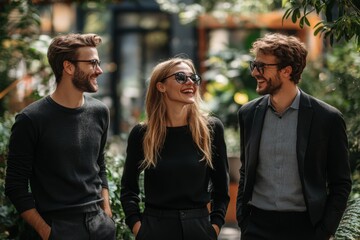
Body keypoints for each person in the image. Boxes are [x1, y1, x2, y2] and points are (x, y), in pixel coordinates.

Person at [236, 33, 352, 240]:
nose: (254, 72)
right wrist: (244, 221)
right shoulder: (248, 114)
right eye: (254, 65)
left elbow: (340, 183)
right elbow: (246, 171)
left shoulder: (327, 118)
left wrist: (324, 231)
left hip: (305, 228)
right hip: (256, 227)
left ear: (286, 71)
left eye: (261, 66)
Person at [5, 33, 115, 240]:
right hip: (58, 226)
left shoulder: (100, 111)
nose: (99, 70)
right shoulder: (31, 119)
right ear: (68, 67)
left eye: (98, 63)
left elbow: (99, 164)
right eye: (92, 63)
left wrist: (106, 212)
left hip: (99, 225)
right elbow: (15, 186)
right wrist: (47, 232)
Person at [120, 57, 230, 240]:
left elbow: (221, 188)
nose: (190, 82)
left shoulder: (211, 129)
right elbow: (129, 188)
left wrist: (214, 227)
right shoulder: (143, 133)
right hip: (155, 228)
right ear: (161, 86)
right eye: (180, 77)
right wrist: (138, 227)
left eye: (193, 78)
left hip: (199, 228)